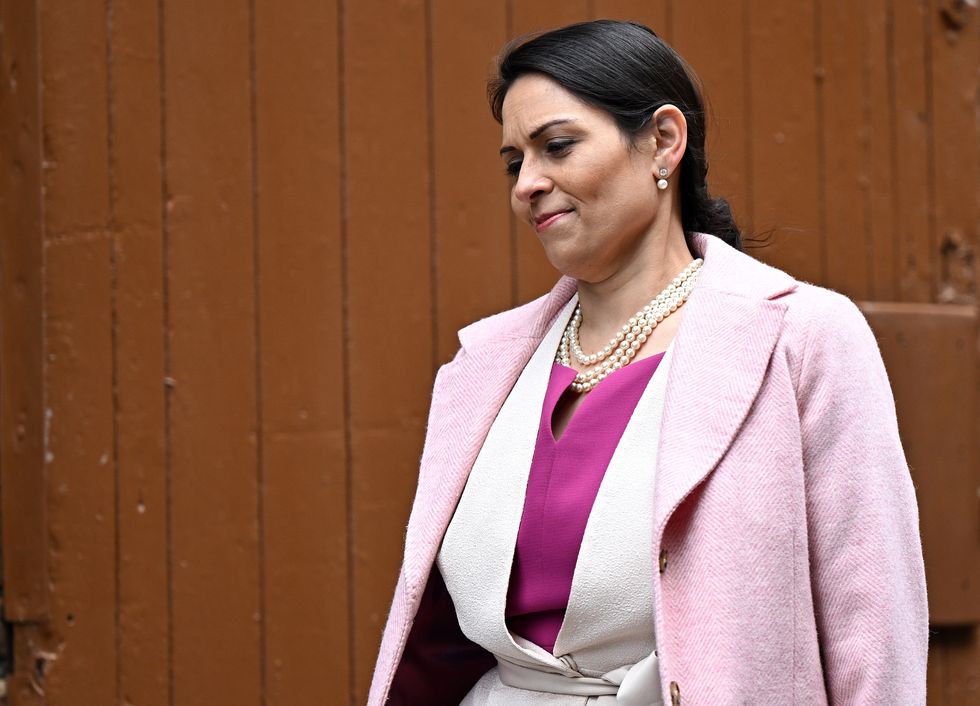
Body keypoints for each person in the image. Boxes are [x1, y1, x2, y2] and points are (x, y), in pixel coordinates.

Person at [367, 19, 928, 706]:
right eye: (515, 163)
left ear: (663, 140)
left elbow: (874, 630)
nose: (527, 184)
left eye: (557, 146)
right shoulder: (482, 366)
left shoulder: (801, 338)